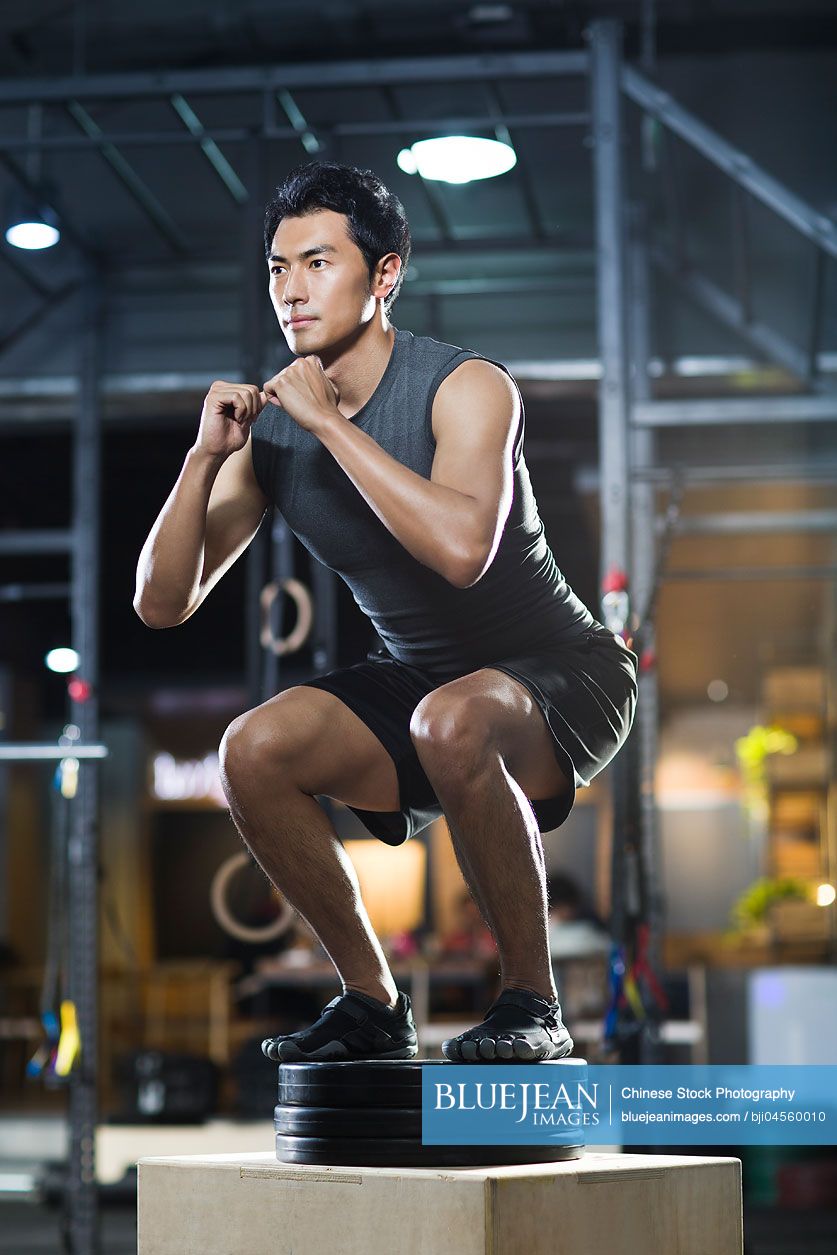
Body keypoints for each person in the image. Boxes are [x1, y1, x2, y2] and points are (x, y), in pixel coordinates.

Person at [134, 160, 638, 1065]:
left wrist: (333, 425)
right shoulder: (271, 434)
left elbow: (460, 551)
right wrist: (204, 459)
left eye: (318, 262)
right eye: (279, 268)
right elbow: (162, 603)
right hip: (416, 682)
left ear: (385, 274)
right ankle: (370, 1000)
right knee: (251, 748)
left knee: (451, 718)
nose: (291, 289)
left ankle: (533, 1003)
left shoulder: (467, 387)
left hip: (563, 669)